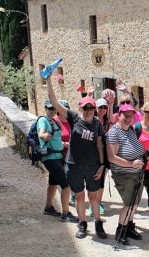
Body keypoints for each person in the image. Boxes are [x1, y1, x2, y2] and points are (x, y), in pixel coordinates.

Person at [46, 78, 107, 239]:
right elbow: (54, 102)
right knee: (80, 196)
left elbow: (100, 145)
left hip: (93, 166)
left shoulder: (97, 123)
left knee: (93, 196)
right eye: (85, 107)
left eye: (91, 108)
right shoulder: (74, 118)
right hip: (74, 166)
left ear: (94, 109)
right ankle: (82, 224)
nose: (88, 110)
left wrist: (102, 165)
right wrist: (48, 80)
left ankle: (98, 225)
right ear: (80, 108)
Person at [107, 104, 145, 245]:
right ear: (119, 115)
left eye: (131, 116)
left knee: (134, 204)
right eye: (126, 115)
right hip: (124, 174)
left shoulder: (130, 129)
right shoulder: (114, 132)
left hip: (136, 174)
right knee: (130, 204)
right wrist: (131, 164)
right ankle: (120, 231)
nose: (129, 118)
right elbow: (111, 157)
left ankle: (129, 227)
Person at [39, 100, 78, 223]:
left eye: (53, 109)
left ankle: (48, 207)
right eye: (50, 108)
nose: (52, 111)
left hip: (58, 156)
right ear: (45, 108)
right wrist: (45, 136)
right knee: (65, 186)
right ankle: (65, 213)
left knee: (53, 183)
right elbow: (41, 133)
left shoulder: (55, 121)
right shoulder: (43, 120)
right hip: (50, 157)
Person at [86, 98, 111, 216]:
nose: (103, 110)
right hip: (92, 154)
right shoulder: (92, 120)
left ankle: (97, 203)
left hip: (104, 154)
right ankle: (92, 204)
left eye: (105, 107)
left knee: (101, 180)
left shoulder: (108, 122)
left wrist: (111, 103)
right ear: (96, 108)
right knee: (92, 179)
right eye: (100, 107)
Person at [54, 99, 76, 206]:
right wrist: (64, 144)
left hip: (71, 153)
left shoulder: (71, 121)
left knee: (72, 175)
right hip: (59, 154)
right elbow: (52, 138)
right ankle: (65, 196)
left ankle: (72, 195)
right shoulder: (55, 121)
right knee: (62, 177)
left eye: (67, 108)